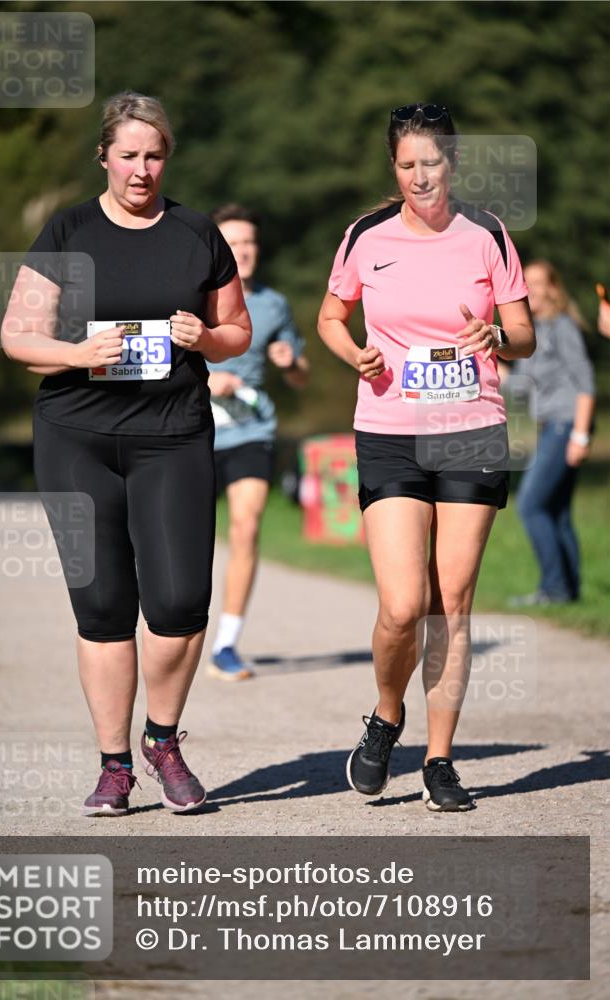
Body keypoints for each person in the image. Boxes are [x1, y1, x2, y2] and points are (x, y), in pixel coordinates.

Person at [1, 91, 251, 817]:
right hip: (76, 438)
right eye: (129, 155)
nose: (142, 169)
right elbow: (18, 336)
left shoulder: (196, 233)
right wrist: (77, 353)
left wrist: (206, 339)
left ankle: (162, 740)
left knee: (179, 603)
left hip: (171, 435)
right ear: (104, 157)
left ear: (167, 158)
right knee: (104, 606)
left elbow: (236, 331)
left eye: (155, 155)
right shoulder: (68, 230)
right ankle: (114, 767)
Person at [317, 103, 535, 811]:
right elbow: (330, 315)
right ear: (394, 167)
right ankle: (387, 714)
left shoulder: (487, 234)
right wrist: (354, 352)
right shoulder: (365, 235)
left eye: (432, 163)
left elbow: (524, 334)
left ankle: (440, 760)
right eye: (407, 164)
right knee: (404, 604)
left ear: (453, 163)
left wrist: (496, 338)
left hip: (471, 428)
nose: (420, 177)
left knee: (450, 604)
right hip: (390, 429)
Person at [206, 204, 309, 681]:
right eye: (233, 243)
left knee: (246, 527)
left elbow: (300, 376)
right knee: (183, 536)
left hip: (250, 429)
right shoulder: (193, 297)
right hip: (194, 429)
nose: (243, 251)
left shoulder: (273, 304)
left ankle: (226, 644)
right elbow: (158, 360)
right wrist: (205, 382)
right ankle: (173, 630)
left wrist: (290, 363)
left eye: (249, 242)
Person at [506, 261, 595, 606]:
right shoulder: (532, 330)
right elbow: (520, 386)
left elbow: (585, 382)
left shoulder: (561, 326)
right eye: (525, 282)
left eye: (537, 282)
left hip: (565, 425)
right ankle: (569, 591)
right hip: (548, 428)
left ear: (553, 289)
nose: (529, 289)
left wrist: (581, 436)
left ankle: (553, 589)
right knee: (557, 510)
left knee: (530, 505)